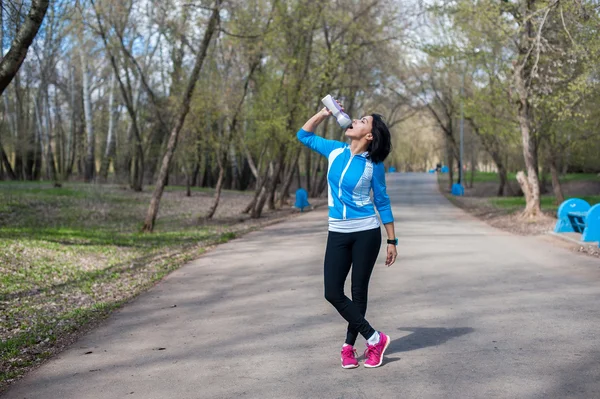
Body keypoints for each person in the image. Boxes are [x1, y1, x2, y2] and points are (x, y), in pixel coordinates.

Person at [297, 101, 397, 369]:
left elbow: (383, 202)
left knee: (358, 292)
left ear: (370, 136)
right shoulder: (334, 150)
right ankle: (375, 338)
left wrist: (392, 240)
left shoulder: (374, 166)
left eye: (363, 120)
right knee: (332, 292)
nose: (355, 120)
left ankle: (349, 348)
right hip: (337, 233)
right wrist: (323, 113)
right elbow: (303, 135)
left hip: (366, 232)